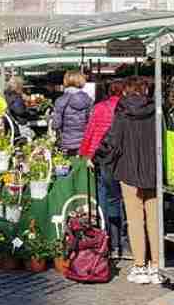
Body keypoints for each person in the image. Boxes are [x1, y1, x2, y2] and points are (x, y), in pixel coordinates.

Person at [96, 77, 162, 285]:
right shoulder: (156, 110)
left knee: (135, 220)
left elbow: (113, 141)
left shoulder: (123, 111)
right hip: (153, 171)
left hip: (128, 169)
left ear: (126, 92)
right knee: (154, 219)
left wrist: (98, 156)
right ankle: (156, 266)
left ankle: (140, 266)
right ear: (144, 91)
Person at [79, 79, 126, 257]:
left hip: (101, 157)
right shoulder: (124, 109)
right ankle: (118, 240)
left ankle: (105, 238)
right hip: (120, 158)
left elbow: (90, 132)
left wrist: (86, 154)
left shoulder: (99, 108)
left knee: (104, 198)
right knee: (118, 199)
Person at [52, 70, 94, 156]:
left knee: (67, 166)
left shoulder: (60, 101)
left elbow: (56, 125)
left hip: (66, 143)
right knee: (81, 167)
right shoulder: (88, 100)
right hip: (84, 141)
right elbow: (91, 122)